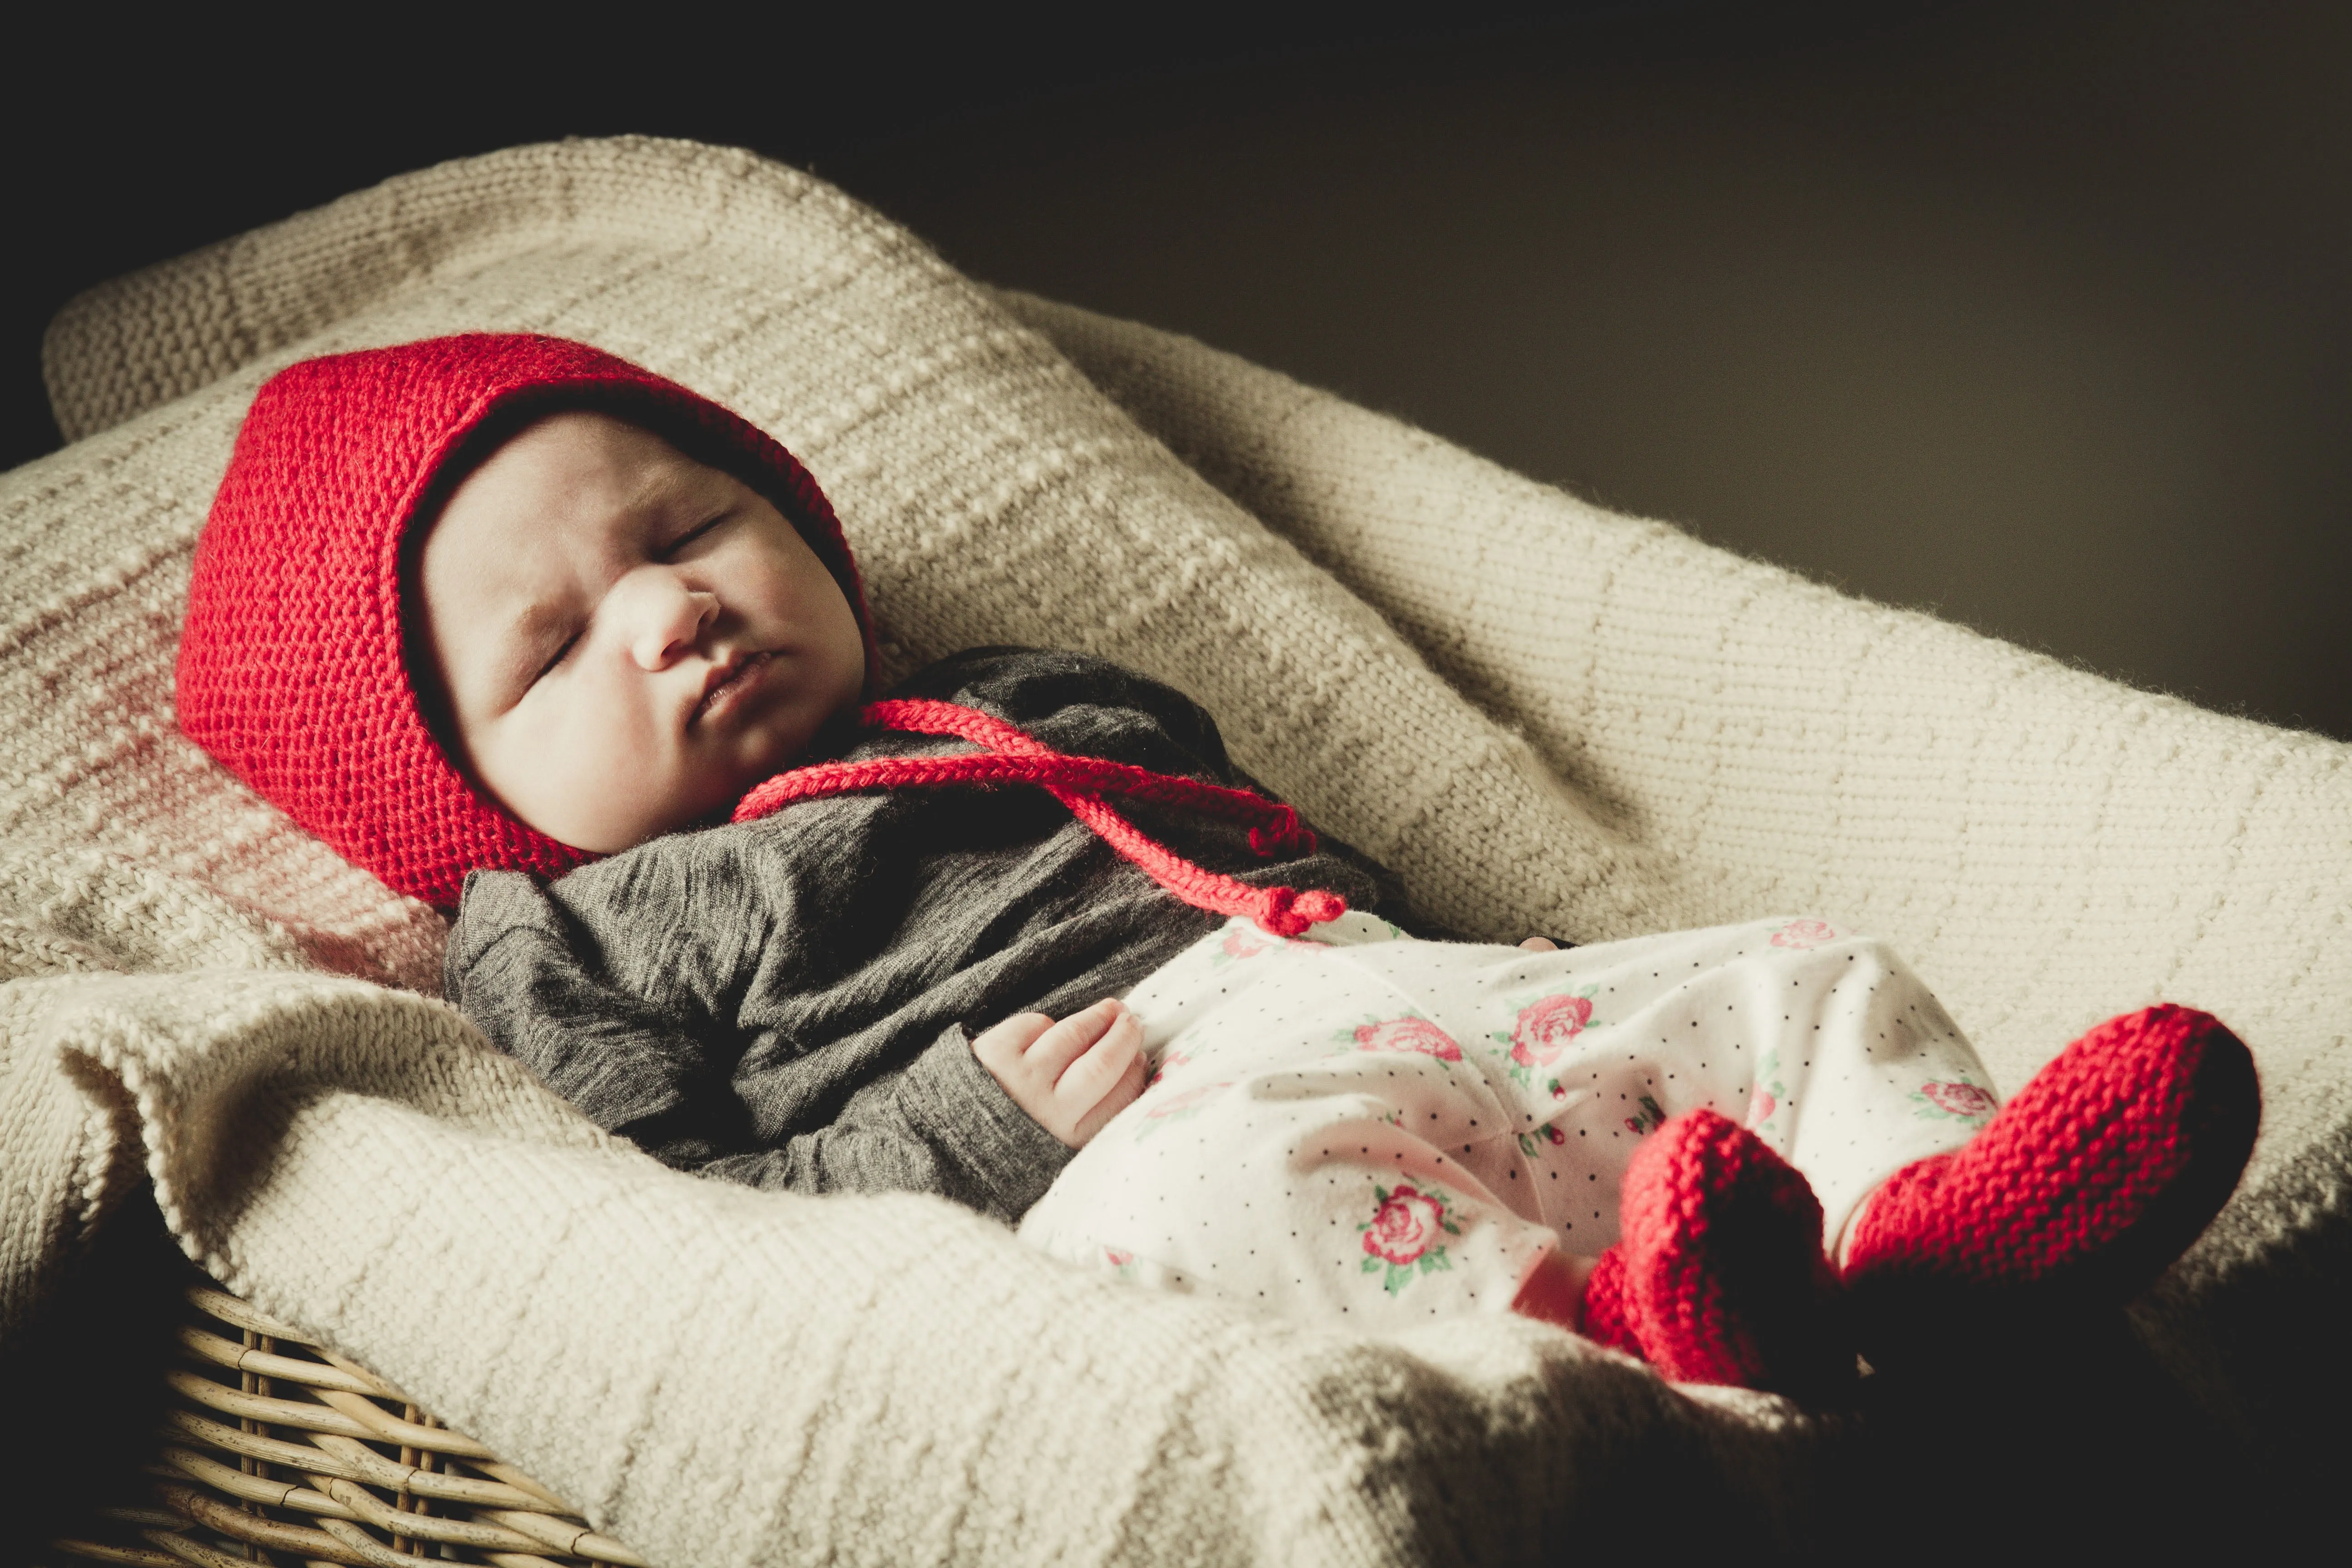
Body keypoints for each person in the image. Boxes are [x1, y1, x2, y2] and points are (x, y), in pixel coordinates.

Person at [176, 333, 2259, 1400]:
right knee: (1219, 1200)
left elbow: (1264, 841)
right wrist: (964, 1133)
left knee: (1796, 964)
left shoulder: (1029, 692)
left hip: (1394, 999)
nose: (669, 615)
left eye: (688, 527)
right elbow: (674, 1233)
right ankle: (1628, 1342)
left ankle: (1934, 1233)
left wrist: (1454, 961)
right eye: (554, 647)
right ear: (464, 794)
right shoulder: (569, 930)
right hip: (1130, 1131)